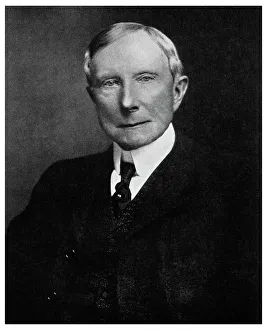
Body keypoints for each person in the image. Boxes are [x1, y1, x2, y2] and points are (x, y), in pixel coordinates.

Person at [6, 22, 259, 323]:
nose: (127, 102)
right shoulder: (60, 183)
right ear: (92, 96)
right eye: (110, 83)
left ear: (177, 91)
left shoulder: (243, 184)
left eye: (145, 79)